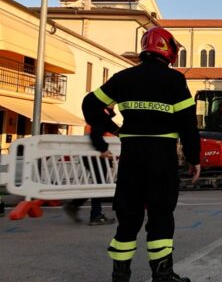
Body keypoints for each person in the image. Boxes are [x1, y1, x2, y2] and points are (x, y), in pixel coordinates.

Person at [82, 27, 201, 282]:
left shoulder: (124, 78)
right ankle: (163, 274)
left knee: (128, 216)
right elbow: (187, 124)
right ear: (168, 50)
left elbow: (90, 104)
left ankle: (120, 274)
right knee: (160, 215)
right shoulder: (175, 81)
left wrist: (114, 129)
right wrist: (194, 158)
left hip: (131, 157)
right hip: (162, 158)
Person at [64, 107, 119, 226]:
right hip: (96, 155)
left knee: (96, 183)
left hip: (94, 155)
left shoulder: (102, 115)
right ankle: (95, 215)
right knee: (98, 184)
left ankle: (75, 205)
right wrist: (103, 149)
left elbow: (115, 130)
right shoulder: (101, 114)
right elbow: (95, 134)